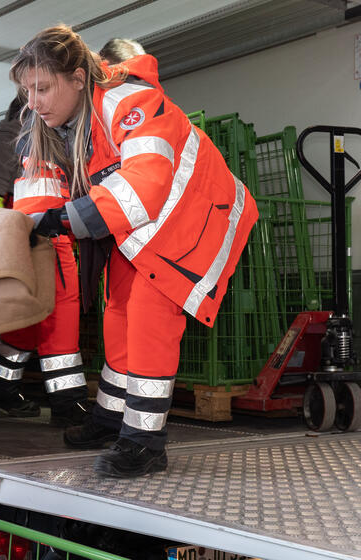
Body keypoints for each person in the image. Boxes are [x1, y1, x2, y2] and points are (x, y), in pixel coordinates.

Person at [16, 25, 258, 477]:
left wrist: (63, 220)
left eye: (42, 87)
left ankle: (144, 442)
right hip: (139, 230)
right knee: (119, 311)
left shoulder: (129, 101)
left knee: (149, 318)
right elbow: (36, 197)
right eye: (27, 90)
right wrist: (26, 226)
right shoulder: (52, 127)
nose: (33, 101)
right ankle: (112, 417)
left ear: (78, 78)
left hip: (191, 221)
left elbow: (142, 185)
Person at [0, 37, 151, 427]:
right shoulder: (53, 104)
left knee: (37, 305)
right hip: (45, 213)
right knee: (59, 295)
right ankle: (67, 400)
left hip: (46, 211)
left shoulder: (67, 105)